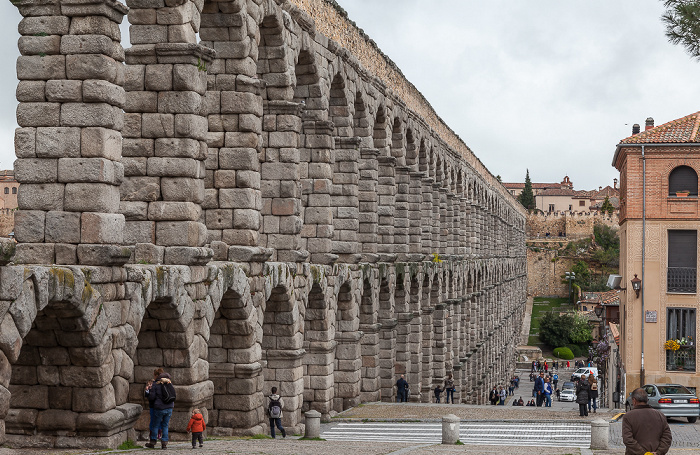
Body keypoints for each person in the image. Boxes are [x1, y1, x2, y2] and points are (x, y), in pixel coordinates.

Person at [622, 388, 672, 455]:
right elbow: (667, 438)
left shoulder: (628, 416)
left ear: (634, 400)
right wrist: (658, 452)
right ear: (647, 400)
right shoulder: (660, 415)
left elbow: (628, 439)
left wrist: (643, 453)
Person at [145, 369, 175, 449]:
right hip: (169, 407)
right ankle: (164, 444)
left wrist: (148, 392)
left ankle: (152, 442)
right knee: (165, 425)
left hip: (159, 408)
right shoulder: (169, 383)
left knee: (155, 425)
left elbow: (152, 397)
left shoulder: (155, 384)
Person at [144, 368, 164, 443]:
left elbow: (151, 397)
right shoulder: (163, 384)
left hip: (156, 406)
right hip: (155, 406)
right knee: (154, 421)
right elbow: (147, 396)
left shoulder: (156, 385)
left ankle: (156, 436)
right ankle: (154, 435)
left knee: (157, 422)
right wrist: (147, 390)